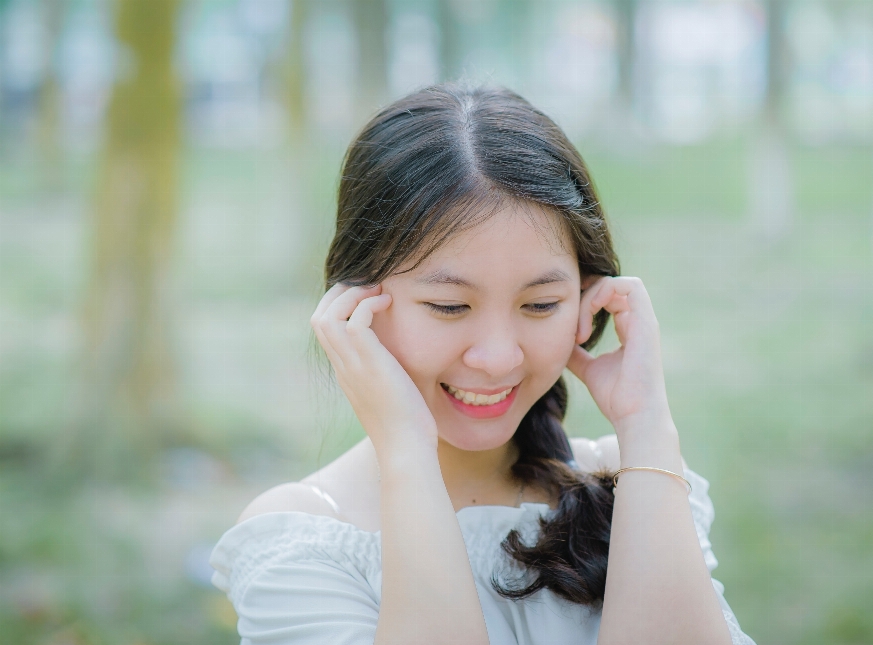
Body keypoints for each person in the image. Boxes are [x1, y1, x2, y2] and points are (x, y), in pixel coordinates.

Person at [210, 83, 756, 645]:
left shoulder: (635, 481)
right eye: (449, 306)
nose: (497, 358)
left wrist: (646, 424)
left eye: (540, 304)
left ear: (587, 300)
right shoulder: (304, 537)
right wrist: (406, 452)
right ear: (354, 302)